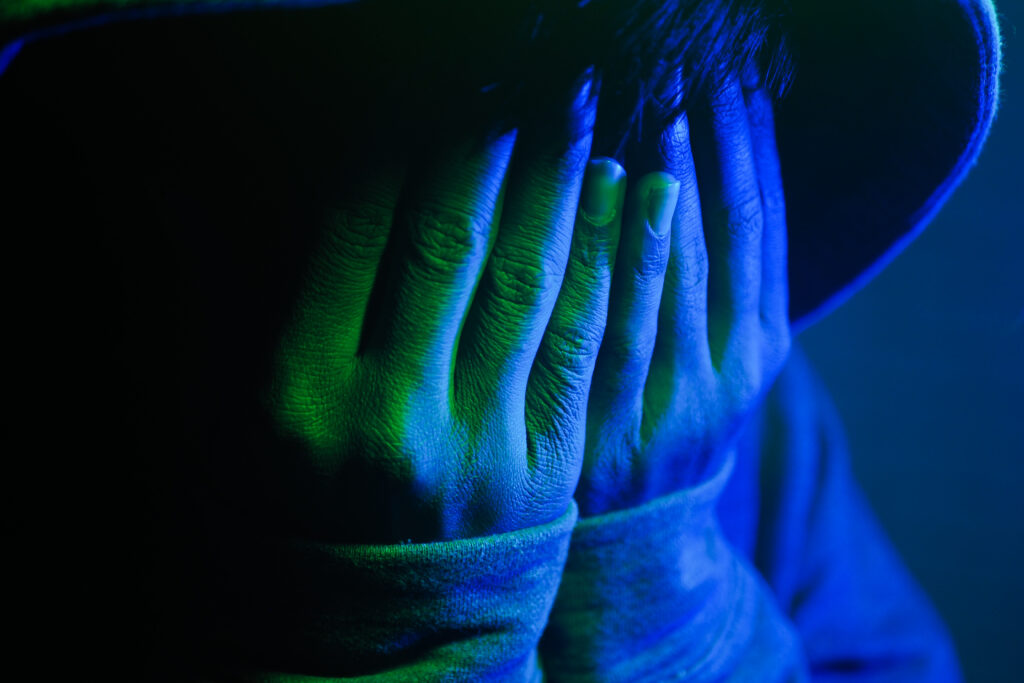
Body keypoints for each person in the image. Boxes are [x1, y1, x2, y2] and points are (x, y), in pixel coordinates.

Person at [0, 0, 1001, 680]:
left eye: (625, 150)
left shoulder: (709, 392)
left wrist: (671, 607)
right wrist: (416, 630)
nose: (534, 292)